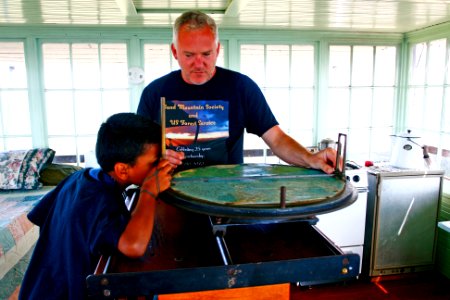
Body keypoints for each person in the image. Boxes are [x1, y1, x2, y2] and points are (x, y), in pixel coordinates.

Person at [137, 10, 337, 174]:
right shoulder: (154, 93)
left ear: (217, 50)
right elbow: (138, 153)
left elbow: (276, 138)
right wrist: (157, 157)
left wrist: (310, 159)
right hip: (171, 199)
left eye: (206, 54)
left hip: (226, 200)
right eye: (189, 55)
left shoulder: (240, 87)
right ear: (174, 52)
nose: (199, 64)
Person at [19, 113, 174, 300]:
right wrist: (149, 190)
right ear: (122, 170)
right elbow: (134, 247)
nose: (160, 166)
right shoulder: (101, 200)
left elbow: (41, 217)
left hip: (39, 288)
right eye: (155, 162)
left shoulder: (80, 178)